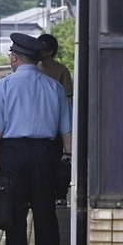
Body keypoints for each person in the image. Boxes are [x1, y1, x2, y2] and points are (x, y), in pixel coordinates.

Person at [0, 33, 72, 245]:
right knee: (45, 206)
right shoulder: (54, 87)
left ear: (14, 58)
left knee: (15, 209)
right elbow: (67, 127)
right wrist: (67, 153)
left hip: (12, 152)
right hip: (45, 152)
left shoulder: (3, 86)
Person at [38, 33, 74, 205]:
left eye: (42, 47)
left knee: (58, 159)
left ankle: (59, 194)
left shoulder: (61, 71)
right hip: (40, 121)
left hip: (57, 122)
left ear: (50, 51)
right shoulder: (34, 68)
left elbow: (68, 99)